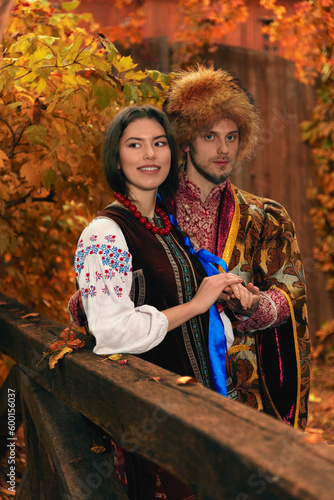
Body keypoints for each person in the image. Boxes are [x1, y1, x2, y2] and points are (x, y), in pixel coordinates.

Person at [69, 104, 257, 500]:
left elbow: (168, 299)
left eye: (158, 143)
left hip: (193, 414)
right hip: (151, 424)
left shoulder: (166, 228)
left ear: (174, 153)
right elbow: (111, 332)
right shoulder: (105, 233)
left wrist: (220, 295)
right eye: (135, 145)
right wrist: (196, 304)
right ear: (117, 159)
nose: (150, 155)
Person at [164, 65, 311, 431]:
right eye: (209, 136)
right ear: (185, 140)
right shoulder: (152, 215)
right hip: (163, 389)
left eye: (231, 137)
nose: (223, 149)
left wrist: (255, 305)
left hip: (245, 397)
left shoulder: (268, 217)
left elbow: (292, 296)